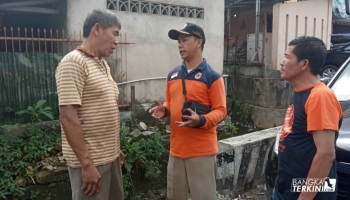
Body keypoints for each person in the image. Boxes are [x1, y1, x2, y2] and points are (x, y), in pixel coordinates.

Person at [149, 22, 227, 200]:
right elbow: (171, 101)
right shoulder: (173, 75)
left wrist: (200, 120)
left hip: (202, 152)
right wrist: (165, 109)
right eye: (178, 41)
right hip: (176, 151)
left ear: (198, 42)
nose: (180, 45)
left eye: (184, 40)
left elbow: (221, 110)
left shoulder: (212, 77)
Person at [55, 9, 124, 200]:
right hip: (92, 164)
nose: (117, 41)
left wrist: (114, 148)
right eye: (115, 33)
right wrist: (87, 165)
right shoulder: (73, 63)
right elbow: (68, 117)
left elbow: (100, 108)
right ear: (97, 29)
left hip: (110, 159)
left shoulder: (102, 64)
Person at [274, 36, 342, 200]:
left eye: (287, 57)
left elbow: (326, 154)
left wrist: (304, 197)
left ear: (304, 64)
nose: (282, 62)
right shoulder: (301, 91)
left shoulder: (320, 96)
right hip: (287, 188)